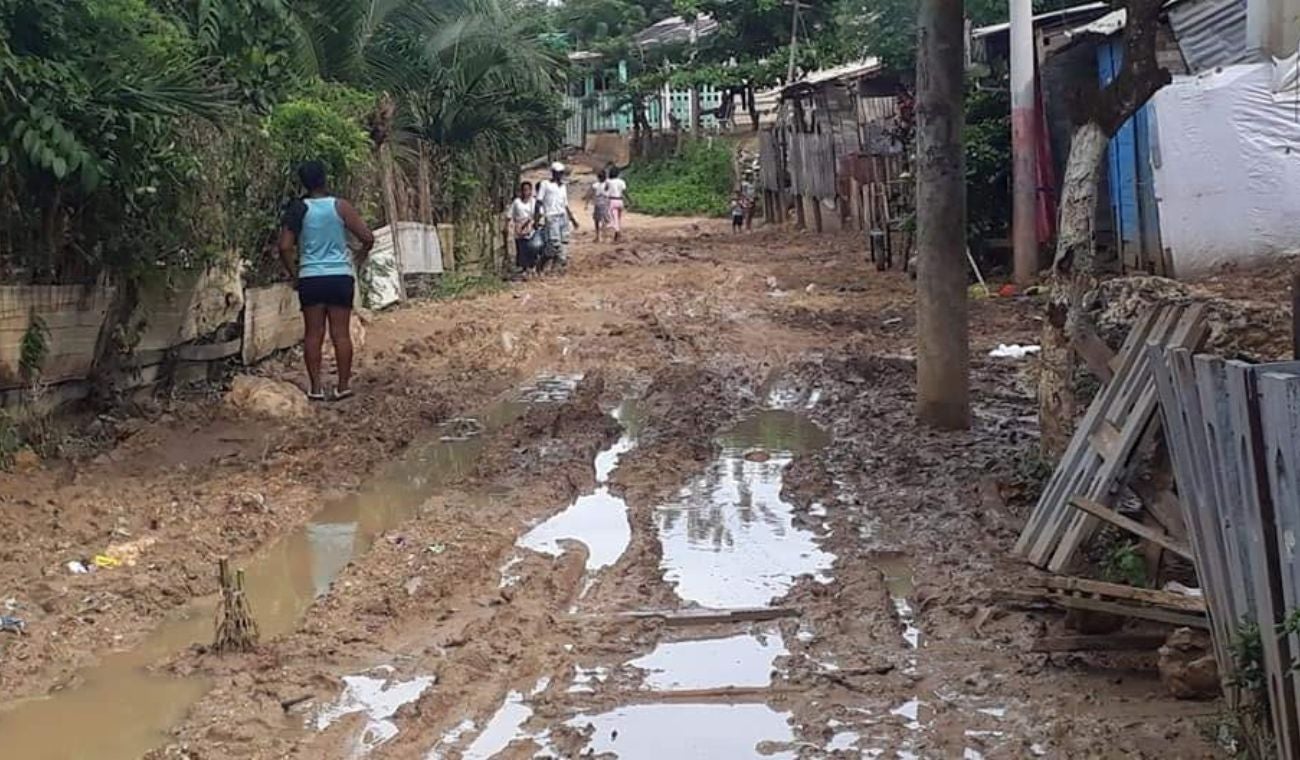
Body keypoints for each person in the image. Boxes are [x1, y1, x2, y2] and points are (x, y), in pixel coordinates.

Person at [278, 161, 374, 401]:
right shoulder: (340, 207)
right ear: (324, 179)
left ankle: (316, 388)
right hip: (339, 277)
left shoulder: (299, 209)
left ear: (303, 183)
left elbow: (284, 246)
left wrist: (295, 274)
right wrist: (358, 258)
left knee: (313, 334)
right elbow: (367, 238)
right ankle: (343, 386)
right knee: (341, 334)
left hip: (311, 278)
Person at [535, 162, 579, 271]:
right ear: (553, 173)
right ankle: (542, 262)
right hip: (551, 216)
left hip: (562, 216)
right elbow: (539, 202)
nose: (559, 175)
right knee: (554, 244)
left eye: (561, 173)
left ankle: (557, 268)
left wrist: (572, 219)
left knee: (564, 241)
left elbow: (565, 204)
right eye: (557, 173)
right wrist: (536, 219)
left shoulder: (563, 186)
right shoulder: (545, 184)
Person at [510, 181, 540, 273]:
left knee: (532, 246)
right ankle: (523, 267)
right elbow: (511, 215)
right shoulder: (516, 202)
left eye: (528, 190)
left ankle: (532, 265)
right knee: (521, 248)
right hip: (520, 227)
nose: (526, 192)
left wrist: (535, 223)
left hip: (531, 227)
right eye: (524, 190)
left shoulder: (534, 202)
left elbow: (539, 213)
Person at [605, 165, 630, 243]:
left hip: (612, 201)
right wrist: (629, 200)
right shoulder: (621, 182)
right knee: (618, 219)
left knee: (613, 218)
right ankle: (617, 234)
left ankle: (617, 233)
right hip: (620, 201)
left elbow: (605, 189)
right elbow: (625, 192)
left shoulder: (608, 182)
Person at [586, 169, 611, 243]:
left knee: (596, 220)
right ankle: (604, 236)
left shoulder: (595, 185)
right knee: (605, 220)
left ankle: (597, 236)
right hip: (605, 202)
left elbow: (589, 194)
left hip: (597, 203)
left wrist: (586, 203)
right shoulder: (607, 184)